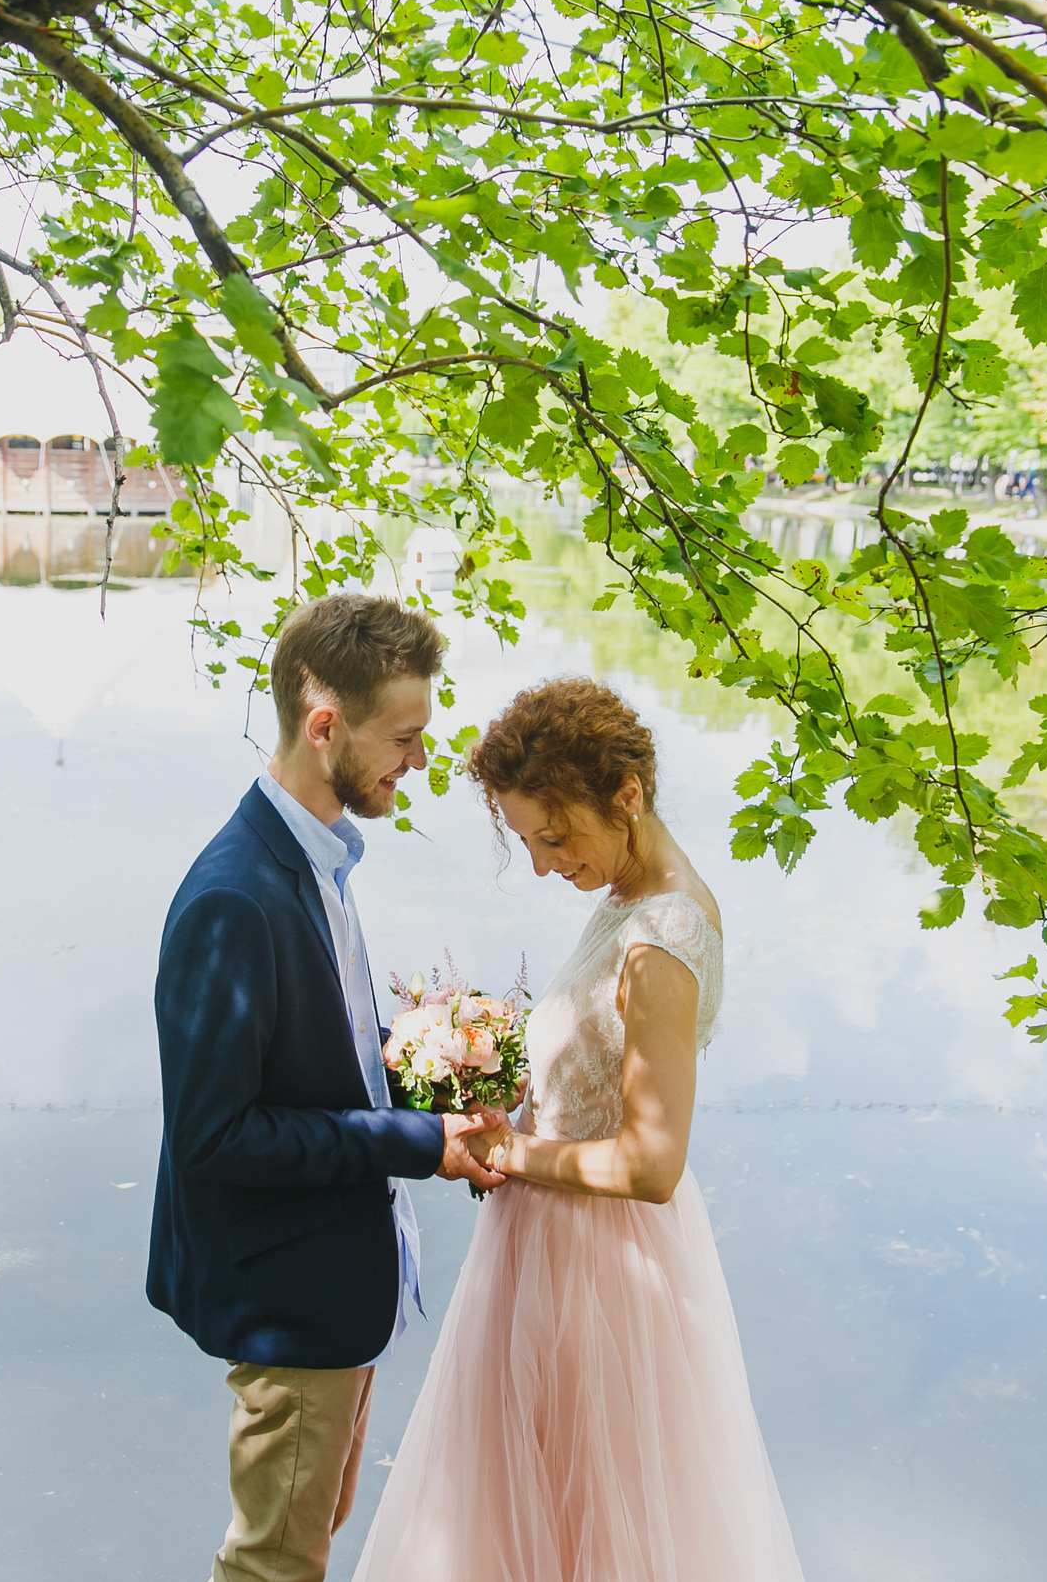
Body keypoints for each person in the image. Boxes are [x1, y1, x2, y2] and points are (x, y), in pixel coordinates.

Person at [352, 677, 805, 1580]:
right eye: (526, 841)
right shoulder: (625, 901)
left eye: (555, 836)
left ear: (627, 794)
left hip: (605, 1275)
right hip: (548, 1244)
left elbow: (652, 1161)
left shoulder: (662, 936)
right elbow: (586, 1071)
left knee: (596, 1518)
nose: (543, 863)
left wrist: (509, 1150)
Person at [150, 592, 508, 1582]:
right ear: (323, 726)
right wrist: (412, 1142)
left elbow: (323, 1050)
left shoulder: (317, 863)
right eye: (403, 737)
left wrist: (426, 1056)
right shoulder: (234, 897)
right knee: (273, 1563)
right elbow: (215, 1138)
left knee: (311, 1532)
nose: (418, 760)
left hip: (335, 1285)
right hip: (288, 1295)